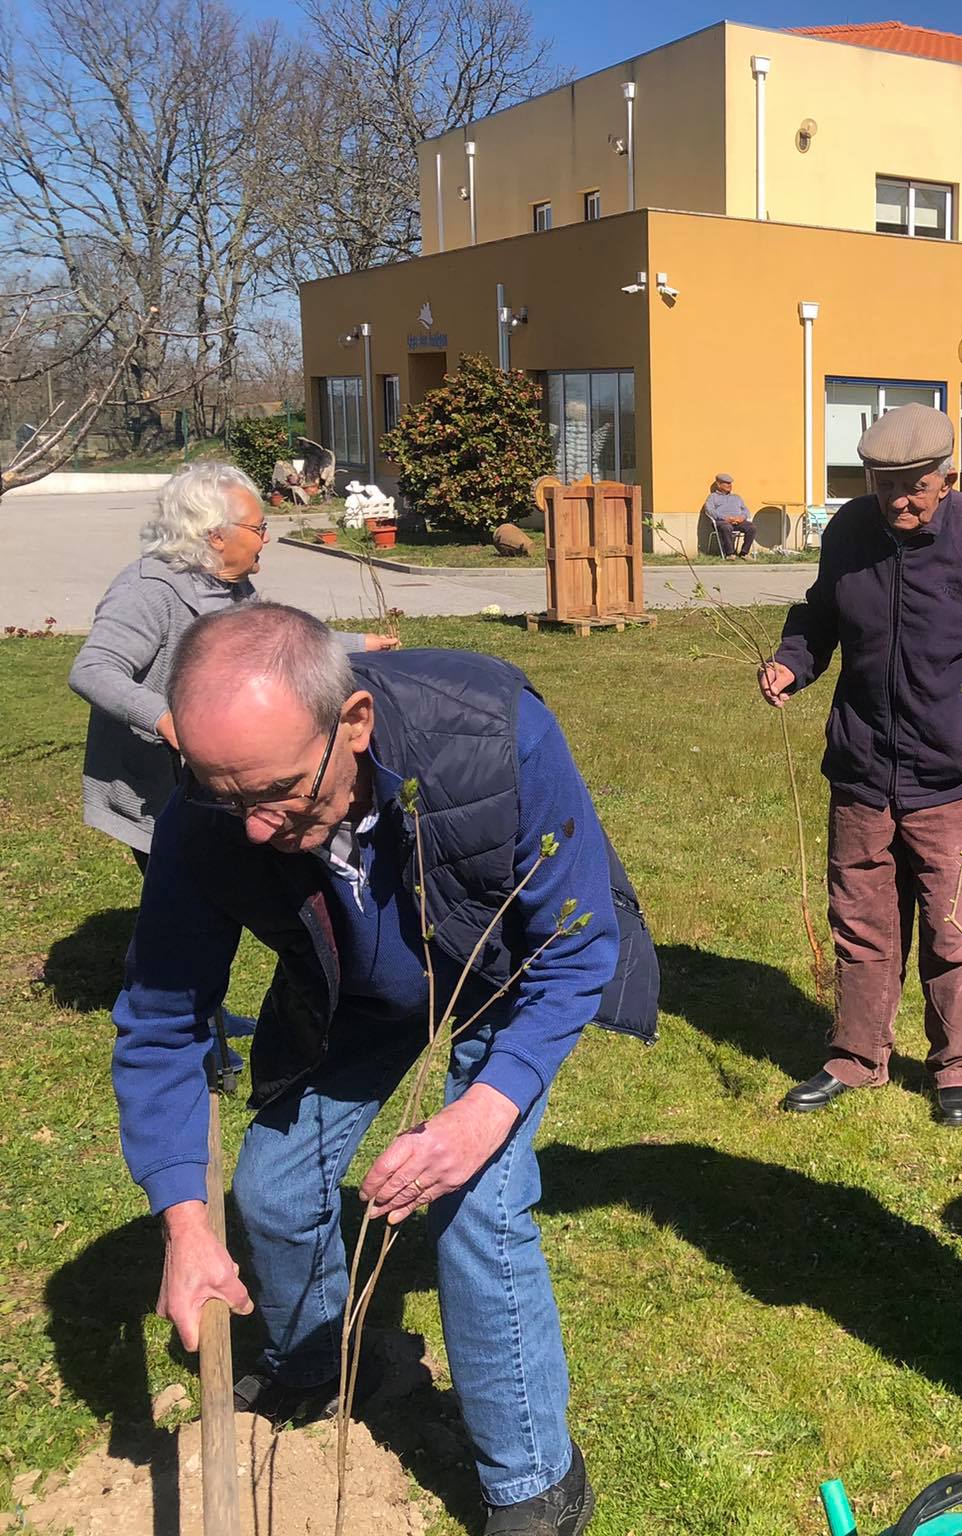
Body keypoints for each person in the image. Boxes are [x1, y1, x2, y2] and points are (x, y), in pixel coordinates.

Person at [112, 602, 658, 1536]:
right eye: (226, 796)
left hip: (505, 977)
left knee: (477, 1211)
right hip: (354, 992)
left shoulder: (491, 731)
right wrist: (185, 1225)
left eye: (278, 791)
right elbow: (163, 1024)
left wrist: (480, 1114)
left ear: (353, 723)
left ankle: (535, 1484)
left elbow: (576, 949)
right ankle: (323, 1364)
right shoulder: (208, 820)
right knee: (273, 1193)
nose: (253, 828)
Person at [759, 404, 962, 1127]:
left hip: (955, 777)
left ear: (950, 477)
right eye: (885, 486)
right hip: (863, 770)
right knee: (863, 924)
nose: (900, 501)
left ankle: (958, 1069)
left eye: (916, 485)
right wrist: (791, 663)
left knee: (956, 926)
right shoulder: (849, 532)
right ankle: (856, 1057)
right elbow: (820, 615)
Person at [68, 462, 396, 870]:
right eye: (258, 529)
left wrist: (356, 644)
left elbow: (275, 643)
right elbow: (93, 669)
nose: (266, 539)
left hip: (230, 783)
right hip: (159, 788)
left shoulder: (230, 586)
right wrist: (164, 720)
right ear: (216, 535)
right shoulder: (146, 590)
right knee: (185, 895)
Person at [702, 473, 757, 559]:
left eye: (730, 483)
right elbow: (709, 510)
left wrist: (741, 518)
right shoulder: (713, 497)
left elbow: (746, 510)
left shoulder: (736, 497)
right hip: (722, 522)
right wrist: (725, 518)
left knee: (751, 527)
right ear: (718, 484)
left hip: (738, 521)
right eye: (726, 483)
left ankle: (744, 553)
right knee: (727, 527)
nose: (729, 485)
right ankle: (730, 554)